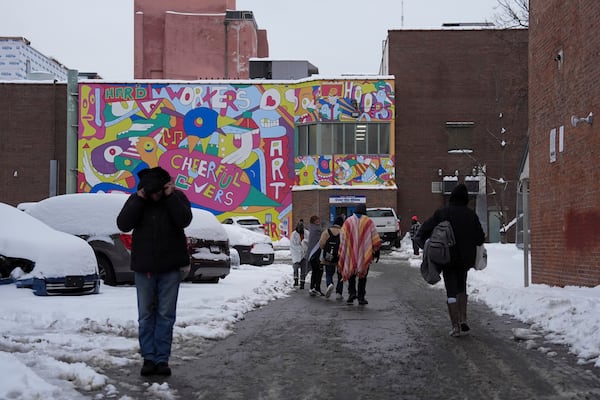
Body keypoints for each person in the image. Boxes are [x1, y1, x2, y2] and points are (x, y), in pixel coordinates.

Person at [116, 166, 193, 376]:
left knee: (166, 315)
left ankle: (162, 359)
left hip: (170, 268)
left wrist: (170, 196)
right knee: (146, 316)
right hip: (144, 268)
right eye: (153, 191)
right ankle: (148, 358)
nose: (156, 195)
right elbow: (123, 224)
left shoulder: (175, 198)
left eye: (159, 190)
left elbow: (184, 219)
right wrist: (139, 198)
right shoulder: (139, 201)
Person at [415, 183, 485, 337]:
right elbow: (480, 237)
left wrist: (426, 247)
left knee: (451, 291)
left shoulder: (442, 213)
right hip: (465, 260)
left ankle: (455, 327)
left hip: (446, 258)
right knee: (462, 287)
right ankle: (463, 319)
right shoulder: (471, 215)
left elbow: (423, 231)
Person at [338, 204, 381, 305]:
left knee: (351, 274)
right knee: (363, 276)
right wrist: (376, 250)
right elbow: (375, 238)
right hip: (364, 253)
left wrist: (344, 250)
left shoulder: (348, 222)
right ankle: (361, 297)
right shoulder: (368, 222)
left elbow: (343, 237)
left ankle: (352, 293)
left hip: (350, 252)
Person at [319, 215, 344, 298]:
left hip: (328, 256)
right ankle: (339, 293)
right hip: (340, 256)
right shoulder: (343, 232)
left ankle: (330, 284)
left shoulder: (327, 231)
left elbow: (321, 244)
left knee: (329, 273)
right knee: (340, 274)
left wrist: (326, 249)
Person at [306, 215, 323, 296]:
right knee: (318, 271)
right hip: (315, 253)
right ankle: (316, 288)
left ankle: (312, 287)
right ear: (313, 221)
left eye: (318, 219)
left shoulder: (313, 228)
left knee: (315, 271)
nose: (318, 221)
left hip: (313, 254)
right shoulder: (316, 230)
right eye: (317, 220)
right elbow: (320, 240)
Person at [290, 219, 309, 289]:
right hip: (296, 254)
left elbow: (308, 242)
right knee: (295, 268)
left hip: (304, 254)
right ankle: (296, 280)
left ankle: (302, 283)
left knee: (303, 269)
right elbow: (293, 245)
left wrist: (304, 244)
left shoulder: (306, 233)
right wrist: (300, 248)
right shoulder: (294, 234)